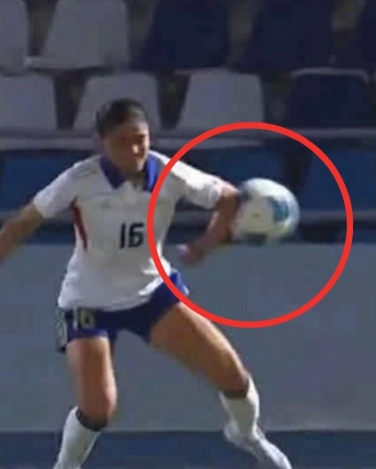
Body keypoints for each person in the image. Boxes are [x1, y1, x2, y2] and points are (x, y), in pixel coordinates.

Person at [0, 99, 292, 469]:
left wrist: (205, 244)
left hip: (152, 293)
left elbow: (229, 198)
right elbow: (21, 224)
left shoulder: (168, 171)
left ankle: (246, 434)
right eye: (122, 142)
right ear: (102, 142)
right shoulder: (81, 179)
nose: (135, 150)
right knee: (98, 408)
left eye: (141, 139)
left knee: (233, 377)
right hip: (88, 302)